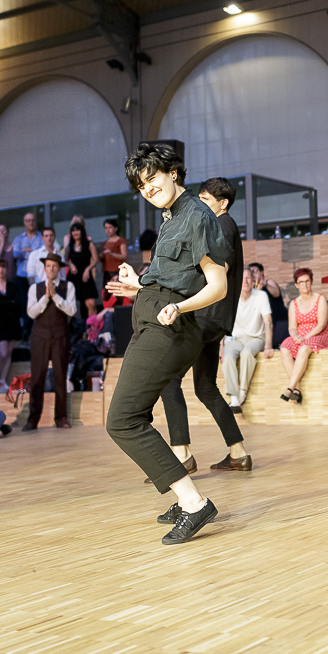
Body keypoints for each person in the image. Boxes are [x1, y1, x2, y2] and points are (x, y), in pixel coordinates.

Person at [103, 142, 229, 545]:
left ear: (173, 173)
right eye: (141, 185)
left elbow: (218, 285)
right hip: (151, 319)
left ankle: (193, 502)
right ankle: (184, 496)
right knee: (132, 415)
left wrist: (179, 306)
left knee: (122, 419)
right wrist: (137, 283)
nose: (148, 188)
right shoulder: (172, 216)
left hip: (170, 326)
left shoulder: (197, 215)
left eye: (152, 178)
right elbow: (173, 274)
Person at [158, 177, 251, 473]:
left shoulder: (222, 224)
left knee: (167, 377)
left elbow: (217, 271)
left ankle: (182, 455)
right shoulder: (225, 225)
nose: (201, 205)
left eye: (207, 200)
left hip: (205, 316)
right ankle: (239, 453)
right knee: (206, 388)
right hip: (214, 319)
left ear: (223, 204)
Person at [24, 252, 76, 430]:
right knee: (37, 377)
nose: (51, 269)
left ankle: (61, 418)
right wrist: (46, 298)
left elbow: (71, 310)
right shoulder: (35, 288)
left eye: (54, 266)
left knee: (60, 377)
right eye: (48, 266)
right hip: (40, 336)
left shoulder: (68, 286)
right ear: (44, 268)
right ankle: (33, 419)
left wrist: (56, 297)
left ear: (59, 268)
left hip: (60, 335)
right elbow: (31, 313)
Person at [278, 268, 328, 402]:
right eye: (301, 282)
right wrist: (295, 336)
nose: (305, 284)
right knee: (284, 348)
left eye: (307, 281)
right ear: (296, 285)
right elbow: (291, 327)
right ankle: (297, 389)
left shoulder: (320, 299)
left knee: (303, 348)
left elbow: (321, 324)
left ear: (311, 282)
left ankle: (290, 387)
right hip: (300, 337)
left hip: (318, 335)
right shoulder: (294, 303)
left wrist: (305, 337)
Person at [223, 271, 271, 410]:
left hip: (256, 337)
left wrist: (268, 346)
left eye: (248, 278)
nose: (245, 281)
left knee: (247, 353)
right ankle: (233, 397)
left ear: (253, 280)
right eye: (242, 278)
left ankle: (242, 392)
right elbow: (223, 323)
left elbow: (268, 322)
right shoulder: (231, 297)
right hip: (235, 338)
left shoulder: (261, 295)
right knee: (227, 357)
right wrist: (220, 346)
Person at [0, 259, 25, 391]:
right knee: (2, 353)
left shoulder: (13, 286)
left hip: (12, 322)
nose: (1, 270)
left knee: (8, 353)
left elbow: (18, 303)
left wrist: (0, 301)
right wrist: (8, 302)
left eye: (3, 267)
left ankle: (2, 381)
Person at [249, 262, 289, 349]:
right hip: (266, 323)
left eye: (254, 271)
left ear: (261, 273)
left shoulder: (269, 282)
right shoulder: (251, 290)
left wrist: (265, 285)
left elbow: (276, 293)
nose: (252, 273)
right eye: (250, 272)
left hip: (279, 320)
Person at [65, 222, 100, 318]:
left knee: (91, 304)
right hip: (74, 277)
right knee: (70, 304)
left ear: (82, 231)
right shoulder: (69, 246)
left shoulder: (89, 244)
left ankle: (91, 328)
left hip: (86, 276)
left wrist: (88, 269)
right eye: (73, 231)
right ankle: (74, 329)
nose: (75, 233)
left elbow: (96, 259)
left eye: (77, 230)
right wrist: (71, 264)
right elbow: (65, 260)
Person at [11, 213, 43, 288]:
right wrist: (35, 251)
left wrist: (28, 249)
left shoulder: (42, 237)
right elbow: (16, 254)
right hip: (22, 274)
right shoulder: (18, 239)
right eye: (28, 221)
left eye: (33, 220)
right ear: (24, 223)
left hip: (38, 273)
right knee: (23, 299)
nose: (31, 223)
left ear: (36, 222)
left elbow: (43, 253)